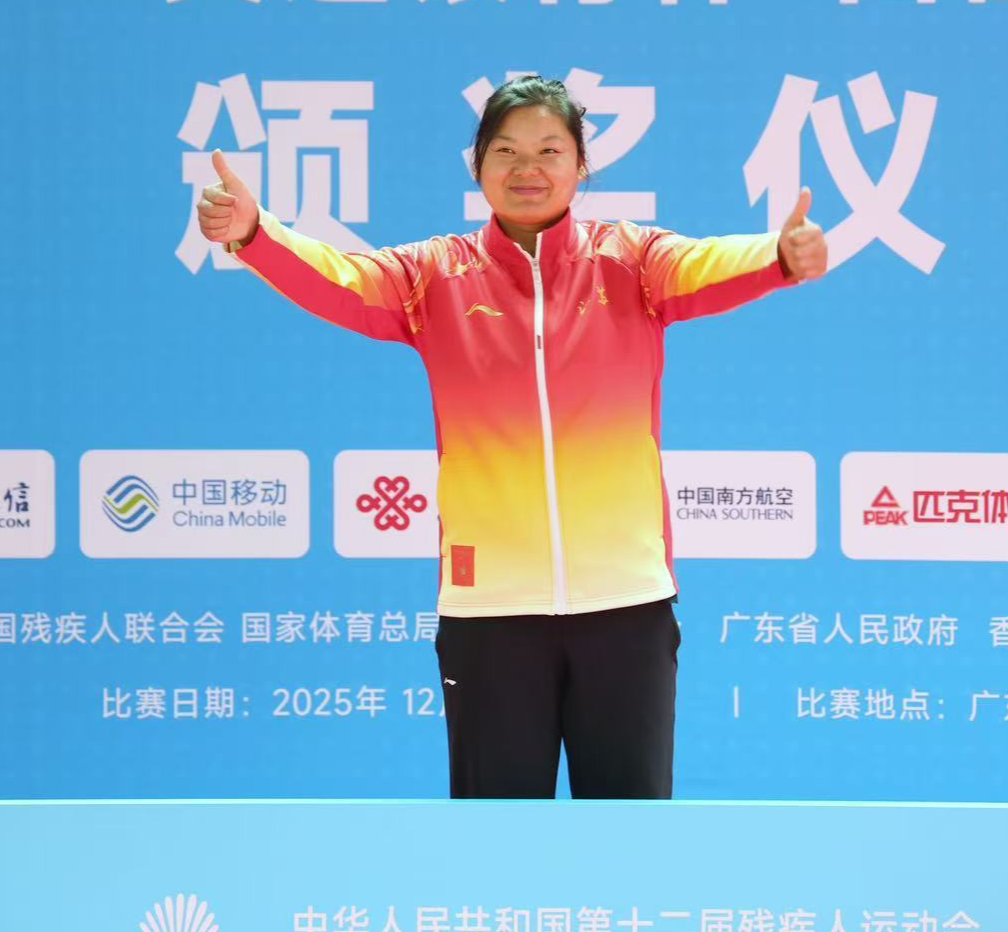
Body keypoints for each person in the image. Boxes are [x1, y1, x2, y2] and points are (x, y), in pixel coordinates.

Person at [197, 74, 828, 799]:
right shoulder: (431, 276)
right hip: (488, 614)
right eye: (505, 150)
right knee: (493, 846)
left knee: (629, 839)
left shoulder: (633, 262)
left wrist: (776, 256)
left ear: (581, 166)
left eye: (548, 150)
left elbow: (704, 265)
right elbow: (340, 278)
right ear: (477, 166)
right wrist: (254, 234)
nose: (527, 168)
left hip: (626, 608)